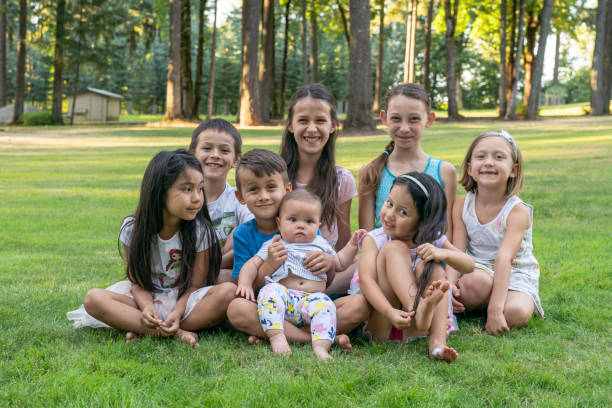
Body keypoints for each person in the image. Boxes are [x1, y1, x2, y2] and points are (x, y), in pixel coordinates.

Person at [67, 150, 237, 347]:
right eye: (187, 189)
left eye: (200, 189)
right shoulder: (133, 229)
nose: (197, 198)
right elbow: (137, 282)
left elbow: (195, 286)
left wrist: (178, 311)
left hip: (185, 301)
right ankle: (173, 332)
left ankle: (147, 329)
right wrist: (147, 306)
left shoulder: (200, 231)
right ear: (159, 191)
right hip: (145, 298)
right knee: (93, 299)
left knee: (228, 293)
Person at [226, 149, 368, 348]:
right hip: (272, 306)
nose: (264, 196)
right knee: (237, 308)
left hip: (311, 304)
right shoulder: (243, 235)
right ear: (240, 196)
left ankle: (275, 333)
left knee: (359, 305)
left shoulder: (303, 225)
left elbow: (327, 280)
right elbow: (250, 288)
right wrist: (269, 266)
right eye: (254, 190)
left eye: (271, 187)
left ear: (287, 189)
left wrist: (328, 264)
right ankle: (316, 337)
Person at [356, 172, 474, 362]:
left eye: (403, 212)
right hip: (384, 322)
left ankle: (437, 343)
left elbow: (469, 265)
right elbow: (366, 280)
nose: (390, 214)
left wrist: (441, 253)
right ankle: (418, 307)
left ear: (422, 221)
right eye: (389, 203)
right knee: (394, 248)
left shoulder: (432, 238)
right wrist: (389, 311)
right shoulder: (374, 239)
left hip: (417, 330)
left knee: (435, 269)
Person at [236, 189, 366, 360]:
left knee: (326, 306)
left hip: (312, 301)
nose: (301, 225)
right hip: (284, 301)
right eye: (292, 220)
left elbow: (340, 262)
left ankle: (321, 347)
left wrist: (352, 245)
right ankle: (277, 336)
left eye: (309, 221)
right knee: (269, 292)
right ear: (279, 223)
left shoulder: (321, 244)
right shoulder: (275, 244)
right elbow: (251, 264)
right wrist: (244, 283)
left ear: (318, 226)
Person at [449, 131, 543, 335]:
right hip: (478, 269)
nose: (489, 162)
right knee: (475, 283)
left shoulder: (517, 211)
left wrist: (495, 310)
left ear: (513, 170)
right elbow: (457, 251)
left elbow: (504, 258)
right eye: (481, 157)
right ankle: (485, 298)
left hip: (516, 272)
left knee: (516, 313)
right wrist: (449, 288)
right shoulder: (461, 205)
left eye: (499, 157)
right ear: (469, 168)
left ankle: (495, 303)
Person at [279, 83, 357, 294]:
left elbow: (342, 241)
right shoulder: (275, 175)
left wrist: (331, 262)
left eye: (320, 121)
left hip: (323, 274)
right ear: (290, 125)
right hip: (281, 271)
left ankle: (314, 300)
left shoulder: (342, 179)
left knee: (366, 261)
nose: (312, 129)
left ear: (332, 126)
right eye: (303, 120)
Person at [358, 83, 456, 239]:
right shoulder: (370, 172)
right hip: (383, 259)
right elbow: (366, 237)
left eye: (414, 119)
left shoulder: (445, 172)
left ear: (429, 120)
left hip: (429, 260)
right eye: (396, 118)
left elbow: (447, 232)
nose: (404, 128)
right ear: (384, 118)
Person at [188, 119, 253, 281]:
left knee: (242, 232)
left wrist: (213, 265)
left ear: (236, 160)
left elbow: (251, 237)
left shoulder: (239, 199)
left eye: (224, 151)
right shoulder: (182, 198)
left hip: (219, 274)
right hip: (185, 270)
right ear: (192, 153)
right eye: (207, 148)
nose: (215, 155)